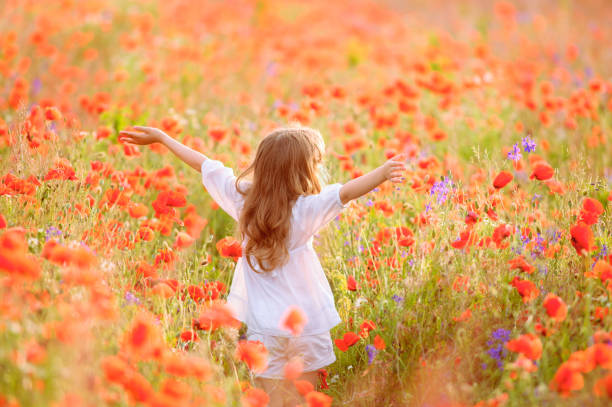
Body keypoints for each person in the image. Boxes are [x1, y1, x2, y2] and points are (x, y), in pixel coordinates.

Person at [119, 124, 406, 407]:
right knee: (304, 400)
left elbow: (206, 165)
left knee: (269, 402)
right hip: (306, 327)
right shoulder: (306, 210)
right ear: (302, 170)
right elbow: (346, 192)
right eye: (316, 162)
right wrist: (382, 172)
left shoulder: (244, 202)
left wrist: (163, 138)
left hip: (264, 329)